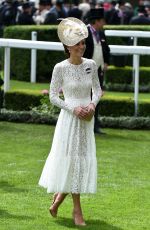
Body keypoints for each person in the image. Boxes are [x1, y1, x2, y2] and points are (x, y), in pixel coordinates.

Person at [38, 17, 102, 226]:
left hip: (87, 120)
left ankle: (57, 201)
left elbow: (97, 90)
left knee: (80, 163)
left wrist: (92, 106)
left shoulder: (91, 65)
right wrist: (73, 108)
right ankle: (77, 210)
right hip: (69, 119)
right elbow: (54, 96)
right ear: (67, 47)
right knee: (70, 161)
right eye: (78, 43)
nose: (82, 47)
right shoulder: (60, 68)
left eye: (83, 43)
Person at [84, 8, 110, 134]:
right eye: (102, 21)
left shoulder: (101, 33)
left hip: (98, 71)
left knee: (96, 97)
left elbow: (106, 49)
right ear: (97, 21)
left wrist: (106, 62)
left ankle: (95, 125)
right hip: (85, 70)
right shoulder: (84, 32)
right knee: (85, 96)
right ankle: (84, 123)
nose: (104, 23)